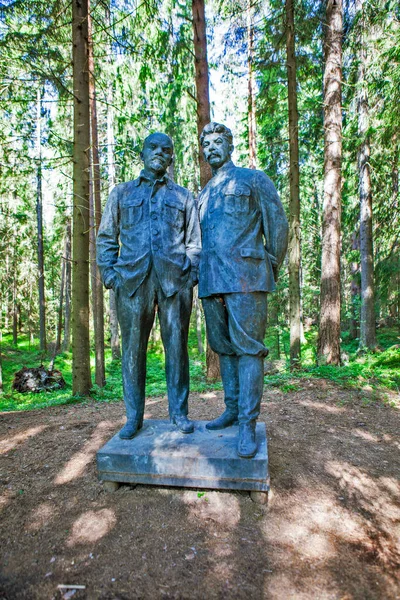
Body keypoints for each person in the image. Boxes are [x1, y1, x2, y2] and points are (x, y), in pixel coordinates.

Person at [97, 132, 201, 439]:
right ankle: (133, 417)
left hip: (174, 283)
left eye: (166, 149)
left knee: (177, 350)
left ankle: (179, 413)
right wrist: (110, 275)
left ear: (171, 158)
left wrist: (190, 276)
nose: (159, 152)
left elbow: (195, 243)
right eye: (153, 147)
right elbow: (105, 238)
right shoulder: (122, 193)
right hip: (131, 283)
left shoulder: (183, 196)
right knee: (132, 352)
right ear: (142, 153)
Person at [198, 122, 288, 458]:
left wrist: (268, 265)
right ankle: (232, 409)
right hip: (211, 280)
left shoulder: (253, 179)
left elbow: (277, 225)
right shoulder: (203, 193)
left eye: (218, 142)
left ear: (230, 145)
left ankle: (248, 424)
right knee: (224, 348)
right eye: (206, 144)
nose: (212, 148)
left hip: (247, 277)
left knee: (249, 350)